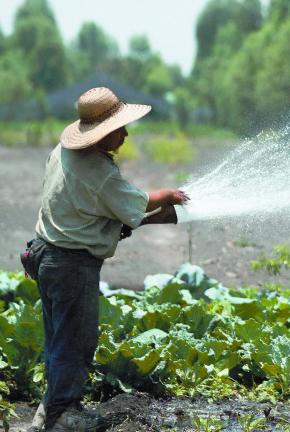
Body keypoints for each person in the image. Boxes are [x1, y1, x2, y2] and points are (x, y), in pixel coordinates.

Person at [20, 87, 189, 431]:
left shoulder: (62, 152)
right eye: (119, 128)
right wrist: (169, 196)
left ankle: (48, 412)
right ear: (99, 133)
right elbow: (137, 201)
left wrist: (157, 216)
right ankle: (64, 415)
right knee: (76, 342)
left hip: (45, 253)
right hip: (72, 265)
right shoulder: (99, 172)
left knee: (58, 339)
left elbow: (96, 208)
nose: (126, 134)